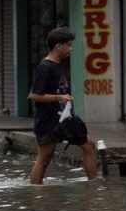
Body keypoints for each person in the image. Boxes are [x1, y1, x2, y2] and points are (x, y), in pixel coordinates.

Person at [29, 27, 98, 184]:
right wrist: (58, 97)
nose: (70, 48)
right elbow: (34, 95)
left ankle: (94, 185)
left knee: (89, 145)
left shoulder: (58, 66)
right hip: (48, 120)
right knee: (44, 157)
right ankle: (35, 191)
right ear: (58, 46)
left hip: (65, 118)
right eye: (68, 45)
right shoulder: (45, 67)